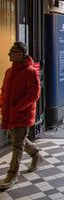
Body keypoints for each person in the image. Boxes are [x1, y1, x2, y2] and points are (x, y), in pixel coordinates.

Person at [0, 42, 43, 190]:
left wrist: (17, 108)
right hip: (9, 113)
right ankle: (36, 155)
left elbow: (34, 94)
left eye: (13, 51)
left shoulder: (30, 72)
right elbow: (4, 91)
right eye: (10, 51)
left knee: (17, 146)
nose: (10, 54)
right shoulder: (8, 71)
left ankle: (12, 175)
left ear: (22, 54)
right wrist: (2, 105)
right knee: (19, 140)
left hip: (22, 114)